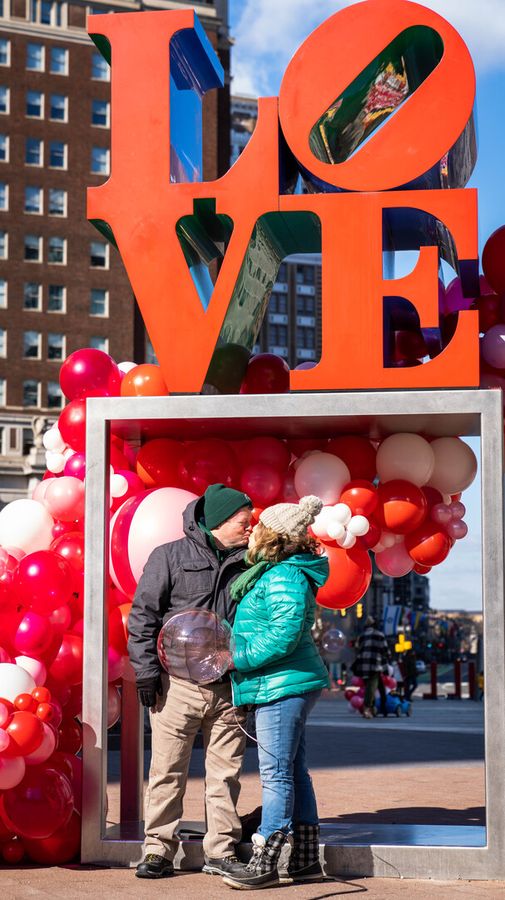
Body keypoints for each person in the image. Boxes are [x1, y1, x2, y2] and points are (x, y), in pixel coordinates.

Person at [127, 483, 253, 880]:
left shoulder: (253, 562)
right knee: (166, 769)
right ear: (218, 521)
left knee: (226, 774)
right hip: (175, 686)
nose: (251, 527)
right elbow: (143, 617)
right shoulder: (168, 556)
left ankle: (221, 851)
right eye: (243, 521)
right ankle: (158, 850)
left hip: (230, 685)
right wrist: (146, 673)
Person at [221, 494, 330, 890]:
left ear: (275, 536)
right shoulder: (277, 572)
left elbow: (283, 634)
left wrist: (238, 658)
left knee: (276, 773)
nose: (253, 531)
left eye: (260, 526)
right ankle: (304, 860)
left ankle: (266, 860)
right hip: (284, 682)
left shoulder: (283, 575)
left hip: (281, 684)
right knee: (294, 772)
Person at [353, 616, 390, 719]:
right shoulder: (380, 635)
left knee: (374, 687)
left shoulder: (362, 636)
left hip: (363, 667)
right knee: (372, 688)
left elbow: (357, 650)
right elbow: (386, 651)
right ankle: (368, 708)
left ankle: (376, 709)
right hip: (375, 666)